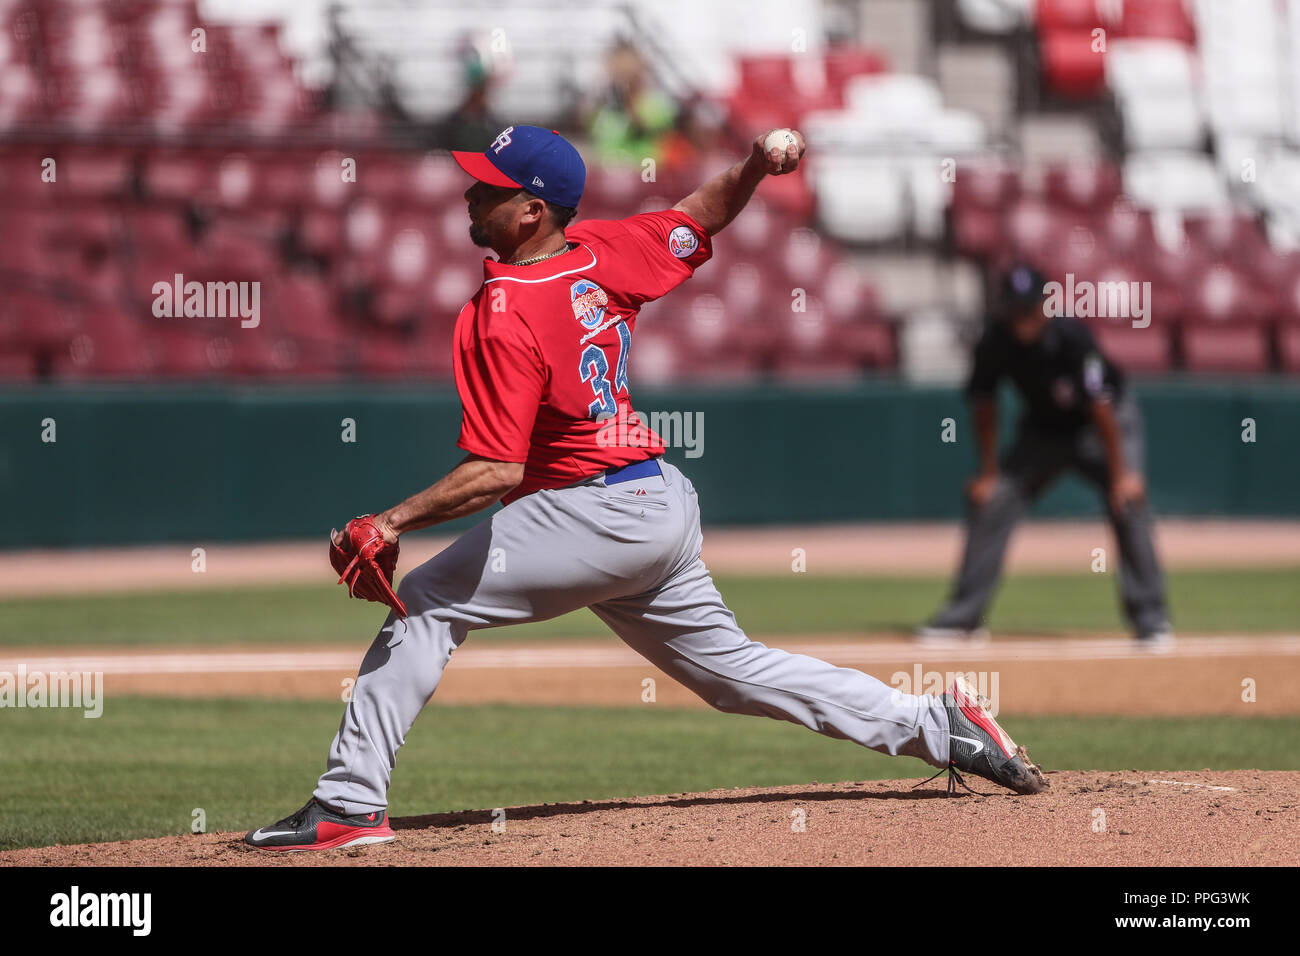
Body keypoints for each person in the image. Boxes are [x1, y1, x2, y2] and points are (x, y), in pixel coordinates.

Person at [245, 126, 1047, 852]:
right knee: (733, 673)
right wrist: (757, 167)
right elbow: (702, 212)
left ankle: (349, 804)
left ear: (531, 211)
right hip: (654, 503)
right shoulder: (601, 252)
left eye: (488, 187)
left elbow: (499, 471)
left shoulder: (504, 309)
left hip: (590, 513)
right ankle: (939, 727)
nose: (470, 193)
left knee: (424, 605)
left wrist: (389, 522)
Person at [918, 264, 1173, 648]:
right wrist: (987, 471)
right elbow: (984, 407)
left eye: (1029, 308)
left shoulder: (1072, 338)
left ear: (1044, 306)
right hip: (1042, 433)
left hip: (1103, 428)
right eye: (1015, 308)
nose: (1022, 318)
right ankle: (963, 617)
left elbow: (1101, 408)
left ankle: (1152, 619)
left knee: (1128, 503)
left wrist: (1121, 475)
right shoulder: (995, 341)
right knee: (994, 501)